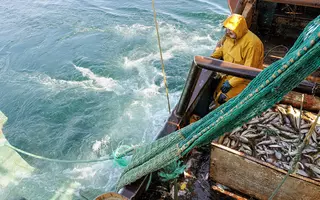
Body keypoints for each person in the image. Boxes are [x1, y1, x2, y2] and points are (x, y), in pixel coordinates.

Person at [211, 14, 264, 107]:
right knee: (215, 93)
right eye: (226, 28)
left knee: (223, 98)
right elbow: (222, 50)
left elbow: (248, 70)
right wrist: (210, 59)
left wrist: (231, 83)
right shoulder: (230, 37)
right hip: (229, 75)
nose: (228, 31)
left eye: (231, 29)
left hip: (245, 81)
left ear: (239, 28)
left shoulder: (253, 44)